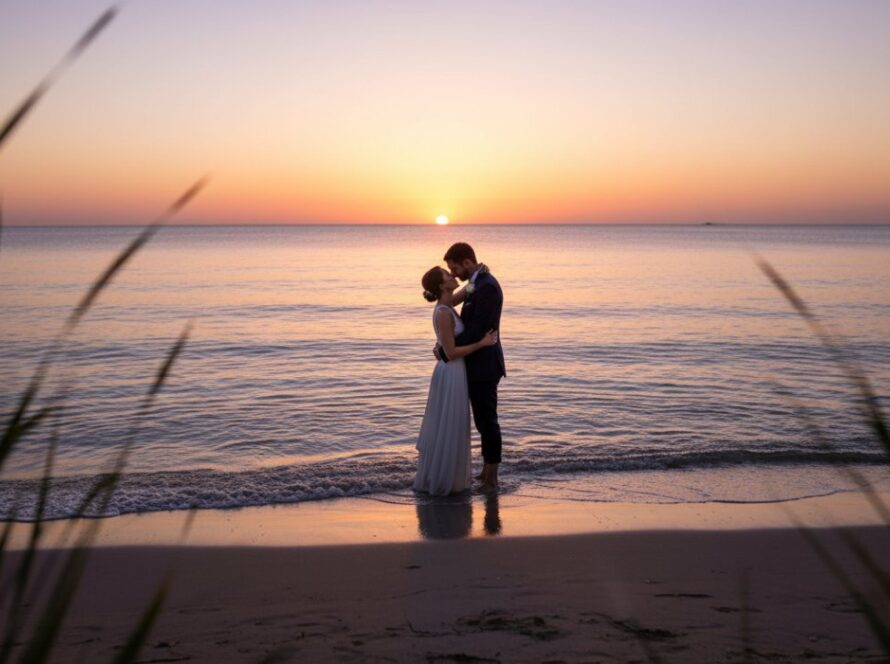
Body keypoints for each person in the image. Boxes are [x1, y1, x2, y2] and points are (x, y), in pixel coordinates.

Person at [414, 267, 498, 496]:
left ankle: (450, 476)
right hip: (450, 372)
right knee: (449, 423)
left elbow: (466, 292)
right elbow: (450, 353)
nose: (452, 276)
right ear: (441, 285)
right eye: (447, 275)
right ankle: (444, 480)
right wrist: (482, 343)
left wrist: (476, 276)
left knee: (453, 424)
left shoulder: (448, 304)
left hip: (454, 372)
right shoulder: (443, 312)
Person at [437, 242, 506, 490]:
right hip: (474, 364)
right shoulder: (477, 283)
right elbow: (447, 303)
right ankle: (485, 473)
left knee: (488, 421)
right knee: (482, 421)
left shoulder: (487, 287)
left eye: (455, 268)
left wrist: (446, 349)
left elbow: (477, 331)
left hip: (485, 365)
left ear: (467, 262)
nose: (453, 273)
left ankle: (492, 479)